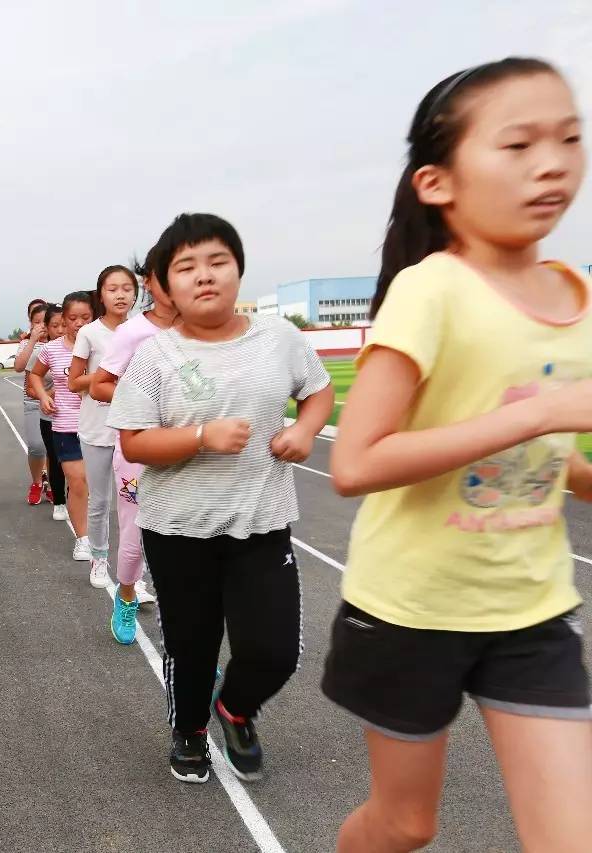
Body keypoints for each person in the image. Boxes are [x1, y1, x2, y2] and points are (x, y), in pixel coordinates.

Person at [322, 59, 592, 852]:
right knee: (405, 825)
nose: (552, 163)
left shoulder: (578, 299)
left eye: (570, 139)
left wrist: (565, 455)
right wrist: (539, 413)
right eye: (518, 144)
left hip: (533, 609)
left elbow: (551, 463)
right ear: (437, 182)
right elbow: (356, 463)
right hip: (408, 611)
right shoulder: (431, 289)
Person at [107, 212, 334, 785]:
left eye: (217, 262)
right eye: (186, 267)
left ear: (238, 269)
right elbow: (134, 442)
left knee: (275, 651)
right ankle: (189, 730)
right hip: (178, 530)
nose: (204, 276)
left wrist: (306, 430)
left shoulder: (279, 339)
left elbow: (318, 390)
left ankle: (235, 708)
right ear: (164, 286)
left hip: (262, 522)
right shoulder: (156, 356)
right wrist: (202, 436)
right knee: (192, 645)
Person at [89, 253, 173, 642]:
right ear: (150, 282)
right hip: (139, 447)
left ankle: (191, 638)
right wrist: (148, 398)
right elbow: (98, 385)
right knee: (136, 534)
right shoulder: (133, 332)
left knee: (192, 543)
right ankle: (125, 596)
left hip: (191, 452)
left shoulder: (201, 329)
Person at [69, 265, 138, 589]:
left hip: (134, 431)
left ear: (136, 293)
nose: (120, 295)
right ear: (101, 295)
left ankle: (132, 570)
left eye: (127, 288)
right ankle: (99, 559)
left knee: (133, 501)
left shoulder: (142, 331)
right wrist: (108, 377)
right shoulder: (89, 333)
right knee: (99, 502)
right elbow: (73, 382)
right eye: (113, 289)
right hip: (97, 430)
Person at [31, 292, 97, 561]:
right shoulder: (52, 349)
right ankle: (82, 539)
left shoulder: (102, 345)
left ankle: (98, 533)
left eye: (85, 317)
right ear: (64, 319)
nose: (79, 323)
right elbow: (35, 375)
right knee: (77, 481)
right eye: (73, 318)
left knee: (93, 485)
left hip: (99, 424)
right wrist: (44, 396)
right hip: (66, 424)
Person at [33, 305, 70, 520]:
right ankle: (59, 502)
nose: (60, 330)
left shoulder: (84, 347)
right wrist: (46, 395)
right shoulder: (45, 351)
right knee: (56, 460)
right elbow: (31, 386)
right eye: (55, 325)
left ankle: (76, 498)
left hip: (80, 417)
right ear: (46, 327)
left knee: (78, 463)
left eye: (64, 324)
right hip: (51, 416)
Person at [15, 299, 52, 504]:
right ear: (31, 324)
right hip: (33, 401)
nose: (42, 326)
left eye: (45, 322)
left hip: (58, 403)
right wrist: (31, 341)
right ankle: (37, 482)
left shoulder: (60, 343)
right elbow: (18, 367)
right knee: (37, 446)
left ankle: (52, 485)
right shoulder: (26, 344)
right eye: (37, 322)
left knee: (54, 448)